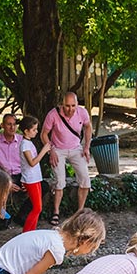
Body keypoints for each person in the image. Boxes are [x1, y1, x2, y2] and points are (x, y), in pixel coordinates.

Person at [41, 91, 93, 226]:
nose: (70, 109)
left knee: (85, 179)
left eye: (73, 106)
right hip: (58, 149)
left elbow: (88, 127)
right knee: (59, 181)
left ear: (77, 104)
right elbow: (44, 134)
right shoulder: (53, 114)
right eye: (67, 106)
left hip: (76, 148)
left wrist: (86, 147)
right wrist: (51, 150)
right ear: (62, 104)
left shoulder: (82, 112)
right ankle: (56, 211)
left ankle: (79, 211)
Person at [0, 113, 26, 230]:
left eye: (14, 124)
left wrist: (27, 180)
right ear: (2, 125)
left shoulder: (22, 140)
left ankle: (22, 215)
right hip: (2, 176)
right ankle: (4, 217)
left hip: (20, 175)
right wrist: (7, 183)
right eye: (9, 124)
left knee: (43, 186)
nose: (12, 127)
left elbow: (29, 163)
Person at [18, 115, 51, 232]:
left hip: (35, 178)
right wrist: (44, 151)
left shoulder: (28, 143)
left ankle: (31, 230)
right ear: (26, 131)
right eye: (34, 130)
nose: (36, 132)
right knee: (37, 208)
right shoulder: (24, 145)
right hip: (30, 179)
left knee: (37, 208)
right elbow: (32, 162)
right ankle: (27, 232)